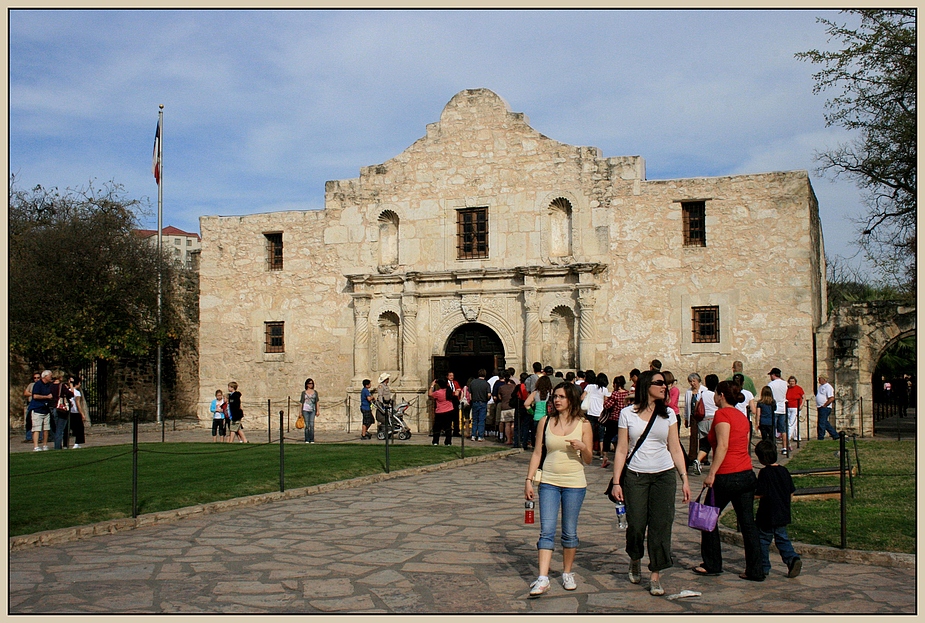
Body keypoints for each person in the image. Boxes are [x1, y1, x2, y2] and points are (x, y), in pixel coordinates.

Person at [610, 370, 691, 596]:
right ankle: (635, 557)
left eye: (665, 383)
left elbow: (675, 447)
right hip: (636, 476)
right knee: (636, 524)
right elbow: (622, 449)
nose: (664, 386)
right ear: (647, 386)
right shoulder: (628, 414)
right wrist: (617, 481)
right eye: (659, 383)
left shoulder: (669, 415)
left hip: (664, 475)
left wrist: (684, 477)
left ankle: (655, 573)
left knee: (661, 525)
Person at [524, 382, 593, 596]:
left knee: (569, 531)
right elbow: (537, 452)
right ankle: (543, 577)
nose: (557, 400)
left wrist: (582, 448)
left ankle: (567, 572)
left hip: (574, 483)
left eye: (561, 396)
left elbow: (589, 459)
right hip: (549, 482)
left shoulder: (584, 424)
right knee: (546, 531)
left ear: (571, 399)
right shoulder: (545, 422)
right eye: (555, 396)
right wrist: (529, 479)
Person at [692, 380, 764, 582]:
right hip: (746, 473)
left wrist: (711, 473)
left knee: (708, 519)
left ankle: (712, 563)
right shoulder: (742, 416)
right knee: (748, 523)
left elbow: (722, 446)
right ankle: (755, 569)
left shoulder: (722, 414)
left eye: (715, 394)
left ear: (721, 395)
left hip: (727, 474)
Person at [754, 440, 802, 578]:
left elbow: (760, 492)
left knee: (763, 540)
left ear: (761, 458)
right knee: (782, 538)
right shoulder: (784, 471)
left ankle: (763, 567)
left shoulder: (764, 473)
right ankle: (792, 559)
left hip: (767, 514)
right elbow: (791, 491)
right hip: (783, 512)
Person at [599, 375, 629, 469]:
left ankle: (605, 457)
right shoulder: (627, 394)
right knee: (623, 439)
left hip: (614, 419)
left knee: (607, 437)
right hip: (624, 420)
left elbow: (607, 405)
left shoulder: (615, 394)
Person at [691, 374, 718, 475]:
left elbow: (697, 406)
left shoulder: (702, 393)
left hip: (703, 421)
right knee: (717, 444)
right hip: (714, 420)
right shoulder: (716, 394)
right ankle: (716, 465)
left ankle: (697, 460)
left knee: (704, 444)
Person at [580, 371, 610, 459]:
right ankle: (601, 453)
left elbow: (582, 397)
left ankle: (588, 451)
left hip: (590, 413)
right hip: (600, 414)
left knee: (590, 434)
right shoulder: (605, 390)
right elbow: (606, 402)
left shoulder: (589, 387)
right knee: (601, 435)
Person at [28, 370, 54, 451]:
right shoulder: (38, 384)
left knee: (46, 428)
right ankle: (36, 446)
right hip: (37, 409)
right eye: (50, 376)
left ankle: (45, 445)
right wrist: (46, 397)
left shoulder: (49, 385)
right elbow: (35, 396)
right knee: (36, 428)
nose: (51, 378)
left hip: (46, 409)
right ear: (45, 376)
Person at [683, 373, 705, 467]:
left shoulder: (704, 391)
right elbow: (686, 406)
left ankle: (703, 457)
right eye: (690, 381)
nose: (692, 383)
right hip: (693, 416)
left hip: (702, 415)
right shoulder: (688, 392)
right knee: (693, 436)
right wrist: (686, 418)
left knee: (703, 436)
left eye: (694, 381)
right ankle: (692, 456)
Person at [524, 374, 552, 449]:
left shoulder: (535, 393)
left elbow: (526, 404)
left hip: (537, 417)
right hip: (547, 417)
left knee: (538, 436)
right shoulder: (551, 393)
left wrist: (532, 412)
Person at [767, 368, 790, 455]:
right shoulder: (785, 383)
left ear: (773, 375)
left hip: (774, 408)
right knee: (783, 430)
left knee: (773, 429)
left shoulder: (770, 384)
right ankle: (784, 447)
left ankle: (773, 447)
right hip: (783, 407)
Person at [429, 377, 455, 446]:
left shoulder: (438, 392)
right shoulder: (449, 390)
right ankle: (448, 442)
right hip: (449, 410)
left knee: (437, 427)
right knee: (448, 427)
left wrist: (432, 385)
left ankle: (435, 441)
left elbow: (430, 394)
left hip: (440, 411)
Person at [51, 372, 73, 450]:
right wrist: (71, 385)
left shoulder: (51, 386)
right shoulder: (61, 386)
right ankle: (57, 447)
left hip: (53, 407)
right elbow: (71, 394)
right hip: (61, 408)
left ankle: (58, 444)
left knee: (56, 428)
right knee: (60, 429)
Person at [468, 369, 491, 442]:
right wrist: (487, 398)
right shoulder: (486, 384)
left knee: (475, 420)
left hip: (475, 402)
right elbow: (488, 395)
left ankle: (473, 435)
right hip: (483, 402)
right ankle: (480, 436)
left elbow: (470, 395)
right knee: (481, 419)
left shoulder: (473, 383)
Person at [495, 371, 517, 445]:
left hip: (504, 406)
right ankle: (513, 438)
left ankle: (508, 439)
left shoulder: (501, 387)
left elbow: (499, 397)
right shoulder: (514, 386)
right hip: (513, 406)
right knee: (513, 424)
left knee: (507, 424)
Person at [67, 377, 89, 448]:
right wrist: (82, 414)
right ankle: (77, 443)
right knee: (79, 428)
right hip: (75, 412)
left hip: (69, 411)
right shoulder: (77, 393)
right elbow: (78, 404)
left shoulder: (68, 390)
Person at [815, 375, 838, 440]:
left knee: (822, 422)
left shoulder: (828, 387)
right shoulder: (820, 387)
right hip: (820, 406)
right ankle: (835, 435)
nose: (819, 381)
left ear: (824, 379)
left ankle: (821, 436)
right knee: (824, 422)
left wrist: (825, 405)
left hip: (825, 407)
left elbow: (831, 398)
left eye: (820, 379)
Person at [785, 376, 805, 447]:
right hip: (788, 407)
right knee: (792, 423)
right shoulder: (787, 389)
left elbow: (803, 397)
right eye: (790, 381)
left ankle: (788, 437)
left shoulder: (799, 388)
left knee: (791, 423)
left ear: (795, 382)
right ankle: (797, 436)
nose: (791, 382)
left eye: (793, 381)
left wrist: (801, 405)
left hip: (796, 407)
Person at [299, 378, 319, 444]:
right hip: (305, 410)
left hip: (312, 410)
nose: (311, 385)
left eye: (312, 383)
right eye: (310, 383)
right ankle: (307, 439)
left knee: (312, 424)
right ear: (307, 384)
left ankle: (312, 439)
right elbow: (301, 402)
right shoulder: (303, 393)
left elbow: (317, 402)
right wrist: (300, 412)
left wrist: (317, 410)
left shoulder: (315, 392)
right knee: (307, 425)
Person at [23, 372, 40, 443]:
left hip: (39, 404)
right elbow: (26, 393)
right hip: (31, 404)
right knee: (29, 421)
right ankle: (29, 437)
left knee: (38, 421)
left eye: (38, 378)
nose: (36, 379)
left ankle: (39, 437)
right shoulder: (31, 385)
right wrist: (34, 394)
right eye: (35, 378)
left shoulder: (42, 385)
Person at [447, 371, 462, 438]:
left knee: (456, 416)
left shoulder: (455, 382)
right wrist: (454, 393)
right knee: (448, 416)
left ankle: (456, 431)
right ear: (447, 376)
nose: (451, 377)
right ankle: (448, 430)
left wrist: (458, 391)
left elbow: (459, 389)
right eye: (450, 375)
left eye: (452, 375)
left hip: (455, 401)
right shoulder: (446, 383)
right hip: (449, 401)